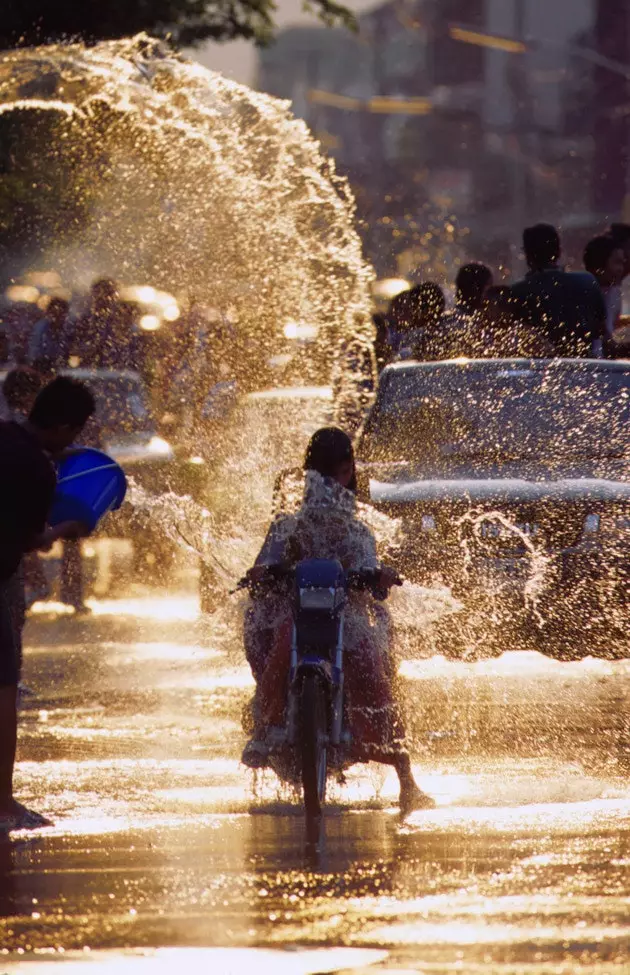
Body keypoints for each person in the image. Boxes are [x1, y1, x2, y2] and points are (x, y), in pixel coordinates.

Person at [241, 427, 435, 816]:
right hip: (295, 613)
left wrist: (377, 577)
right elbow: (267, 561)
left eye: (339, 472)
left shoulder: (358, 527)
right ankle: (263, 729)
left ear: (350, 472)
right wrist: (262, 572)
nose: (333, 481)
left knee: (370, 665)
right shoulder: (288, 525)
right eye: (326, 472)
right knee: (277, 643)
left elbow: (369, 572)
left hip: (345, 615)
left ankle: (406, 779)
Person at [0, 376, 95, 828]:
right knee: (3, 689)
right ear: (61, 427)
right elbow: (36, 538)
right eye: (73, 433)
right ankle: (4, 803)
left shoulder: (3, 434)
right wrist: (69, 527)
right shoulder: (38, 468)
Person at [510, 224, 607, 358]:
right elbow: (602, 333)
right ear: (559, 252)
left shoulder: (517, 291)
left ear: (527, 255)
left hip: (540, 371)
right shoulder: (587, 281)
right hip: (587, 368)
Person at [440, 263, 493, 357]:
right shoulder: (487, 323)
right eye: (489, 286)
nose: (491, 291)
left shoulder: (444, 321)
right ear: (476, 288)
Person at [583, 235, 626, 351]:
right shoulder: (583, 293)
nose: (621, 269)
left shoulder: (615, 294)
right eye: (617, 263)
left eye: (622, 263)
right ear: (599, 265)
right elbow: (606, 345)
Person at [389, 283, 446, 361]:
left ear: (422, 310)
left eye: (412, 307)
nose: (410, 312)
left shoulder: (415, 339)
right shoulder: (453, 330)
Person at [28, 297, 73, 375]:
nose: (58, 317)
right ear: (49, 313)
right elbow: (36, 354)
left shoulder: (68, 328)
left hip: (62, 368)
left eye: (61, 314)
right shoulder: (41, 328)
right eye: (55, 313)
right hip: (42, 367)